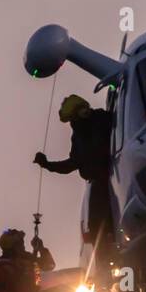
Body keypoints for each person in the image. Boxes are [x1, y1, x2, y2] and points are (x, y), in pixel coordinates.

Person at [34, 94, 114, 249]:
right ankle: (107, 261)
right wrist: (47, 164)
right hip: (99, 183)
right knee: (97, 229)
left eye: (73, 118)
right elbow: (72, 164)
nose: (73, 122)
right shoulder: (78, 137)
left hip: (113, 174)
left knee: (103, 225)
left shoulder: (104, 119)